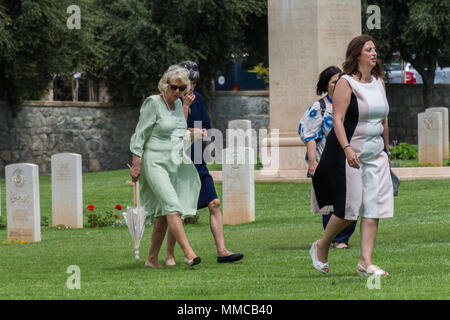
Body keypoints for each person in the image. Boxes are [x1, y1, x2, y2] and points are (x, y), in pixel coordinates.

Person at [311, 35, 393, 276]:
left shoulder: (379, 81)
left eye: (375, 49)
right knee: (348, 210)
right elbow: (336, 119)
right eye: (369, 49)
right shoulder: (346, 82)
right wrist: (347, 148)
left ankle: (365, 262)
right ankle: (322, 245)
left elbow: (384, 119)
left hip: (375, 154)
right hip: (352, 153)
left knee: (373, 208)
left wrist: (386, 151)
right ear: (357, 55)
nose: (374, 53)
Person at [164, 61, 244, 265]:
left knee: (214, 203)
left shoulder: (198, 99)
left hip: (197, 158)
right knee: (178, 209)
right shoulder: (169, 101)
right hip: (178, 160)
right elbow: (174, 130)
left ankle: (222, 251)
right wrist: (186, 111)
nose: (192, 88)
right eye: (190, 83)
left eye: (195, 83)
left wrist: (203, 133)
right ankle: (170, 255)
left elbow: (205, 125)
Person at [129, 65, 203, 269]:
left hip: (172, 162)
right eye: (173, 87)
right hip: (153, 162)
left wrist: (193, 135)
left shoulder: (179, 104)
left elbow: (179, 131)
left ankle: (152, 259)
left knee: (163, 214)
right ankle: (189, 254)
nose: (177, 92)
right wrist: (136, 164)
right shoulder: (153, 103)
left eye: (181, 88)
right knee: (172, 205)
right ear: (164, 85)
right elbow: (139, 134)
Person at [299, 66, 357, 250]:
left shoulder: (350, 104)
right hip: (327, 161)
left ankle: (344, 237)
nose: (338, 84)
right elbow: (309, 136)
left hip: (348, 160)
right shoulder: (319, 108)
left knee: (351, 199)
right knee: (332, 202)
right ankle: (336, 239)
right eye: (334, 81)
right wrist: (313, 162)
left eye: (341, 81)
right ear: (326, 85)